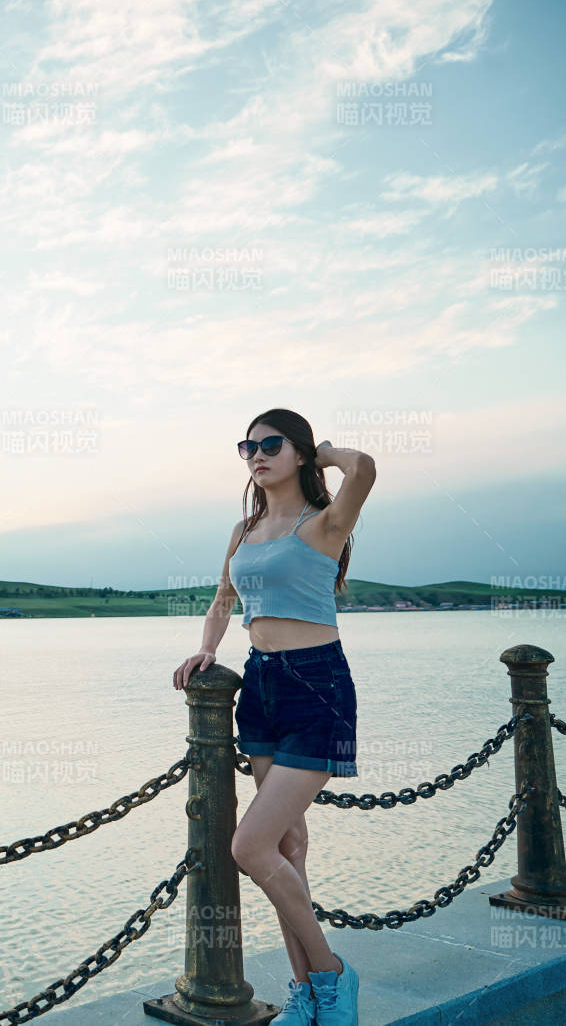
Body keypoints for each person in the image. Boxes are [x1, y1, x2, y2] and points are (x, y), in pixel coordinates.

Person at [172, 408, 375, 1026]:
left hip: (317, 687)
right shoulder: (245, 528)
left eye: (270, 444)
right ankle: (308, 994)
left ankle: (334, 979)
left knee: (250, 845)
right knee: (287, 844)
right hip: (259, 687)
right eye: (247, 446)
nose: (256, 454)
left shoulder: (325, 523)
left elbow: (364, 470)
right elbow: (222, 601)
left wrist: (328, 454)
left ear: (299, 453)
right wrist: (209, 647)